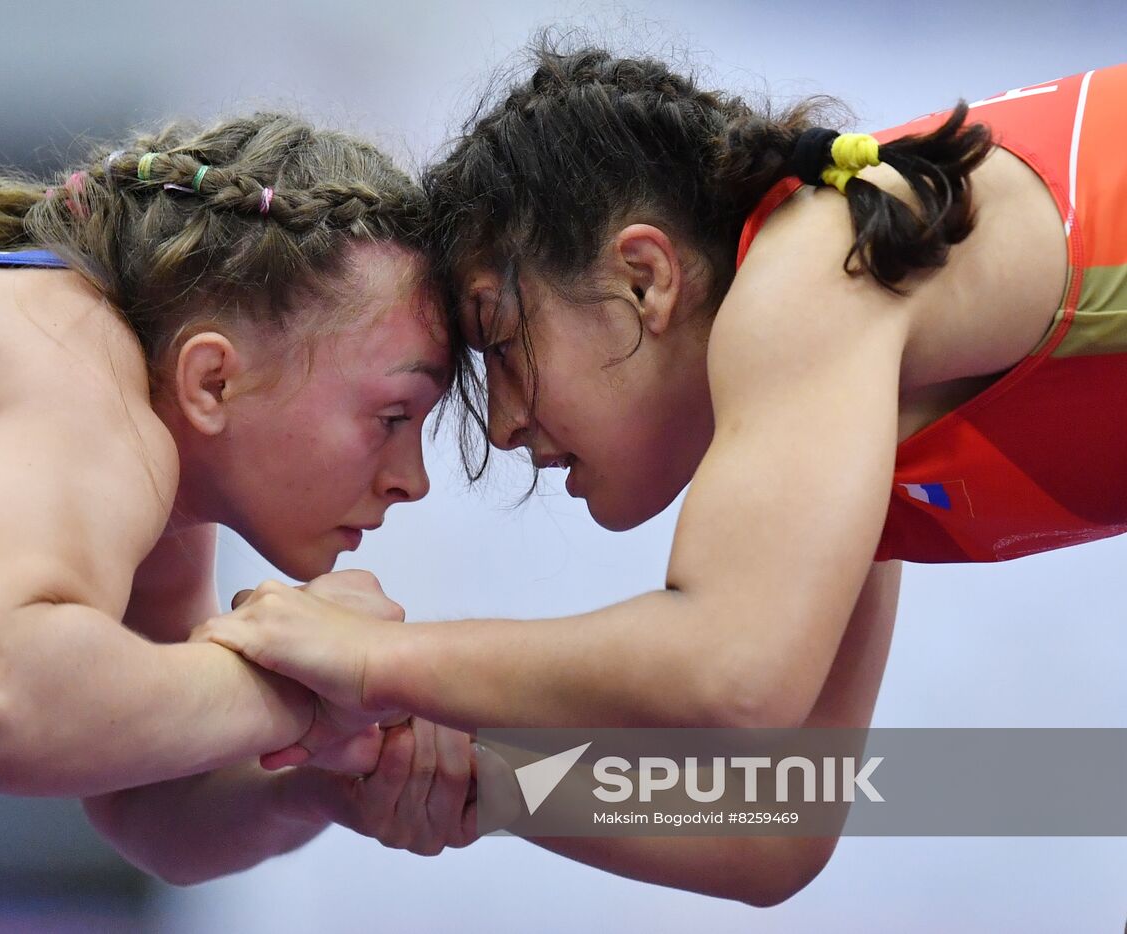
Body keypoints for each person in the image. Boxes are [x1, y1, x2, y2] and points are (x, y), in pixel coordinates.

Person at [204, 46, 1127, 903]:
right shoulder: (844, 410)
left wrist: (378, 663)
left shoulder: (814, 269)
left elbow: (729, 673)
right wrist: (490, 777)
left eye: (501, 340)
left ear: (643, 278)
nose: (504, 421)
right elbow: (774, 826)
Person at [0, 113, 480, 876]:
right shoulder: (80, 388)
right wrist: (313, 691)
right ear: (212, 380)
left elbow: (151, 801)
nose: (410, 480)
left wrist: (321, 782)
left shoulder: (147, 477)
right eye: (392, 416)